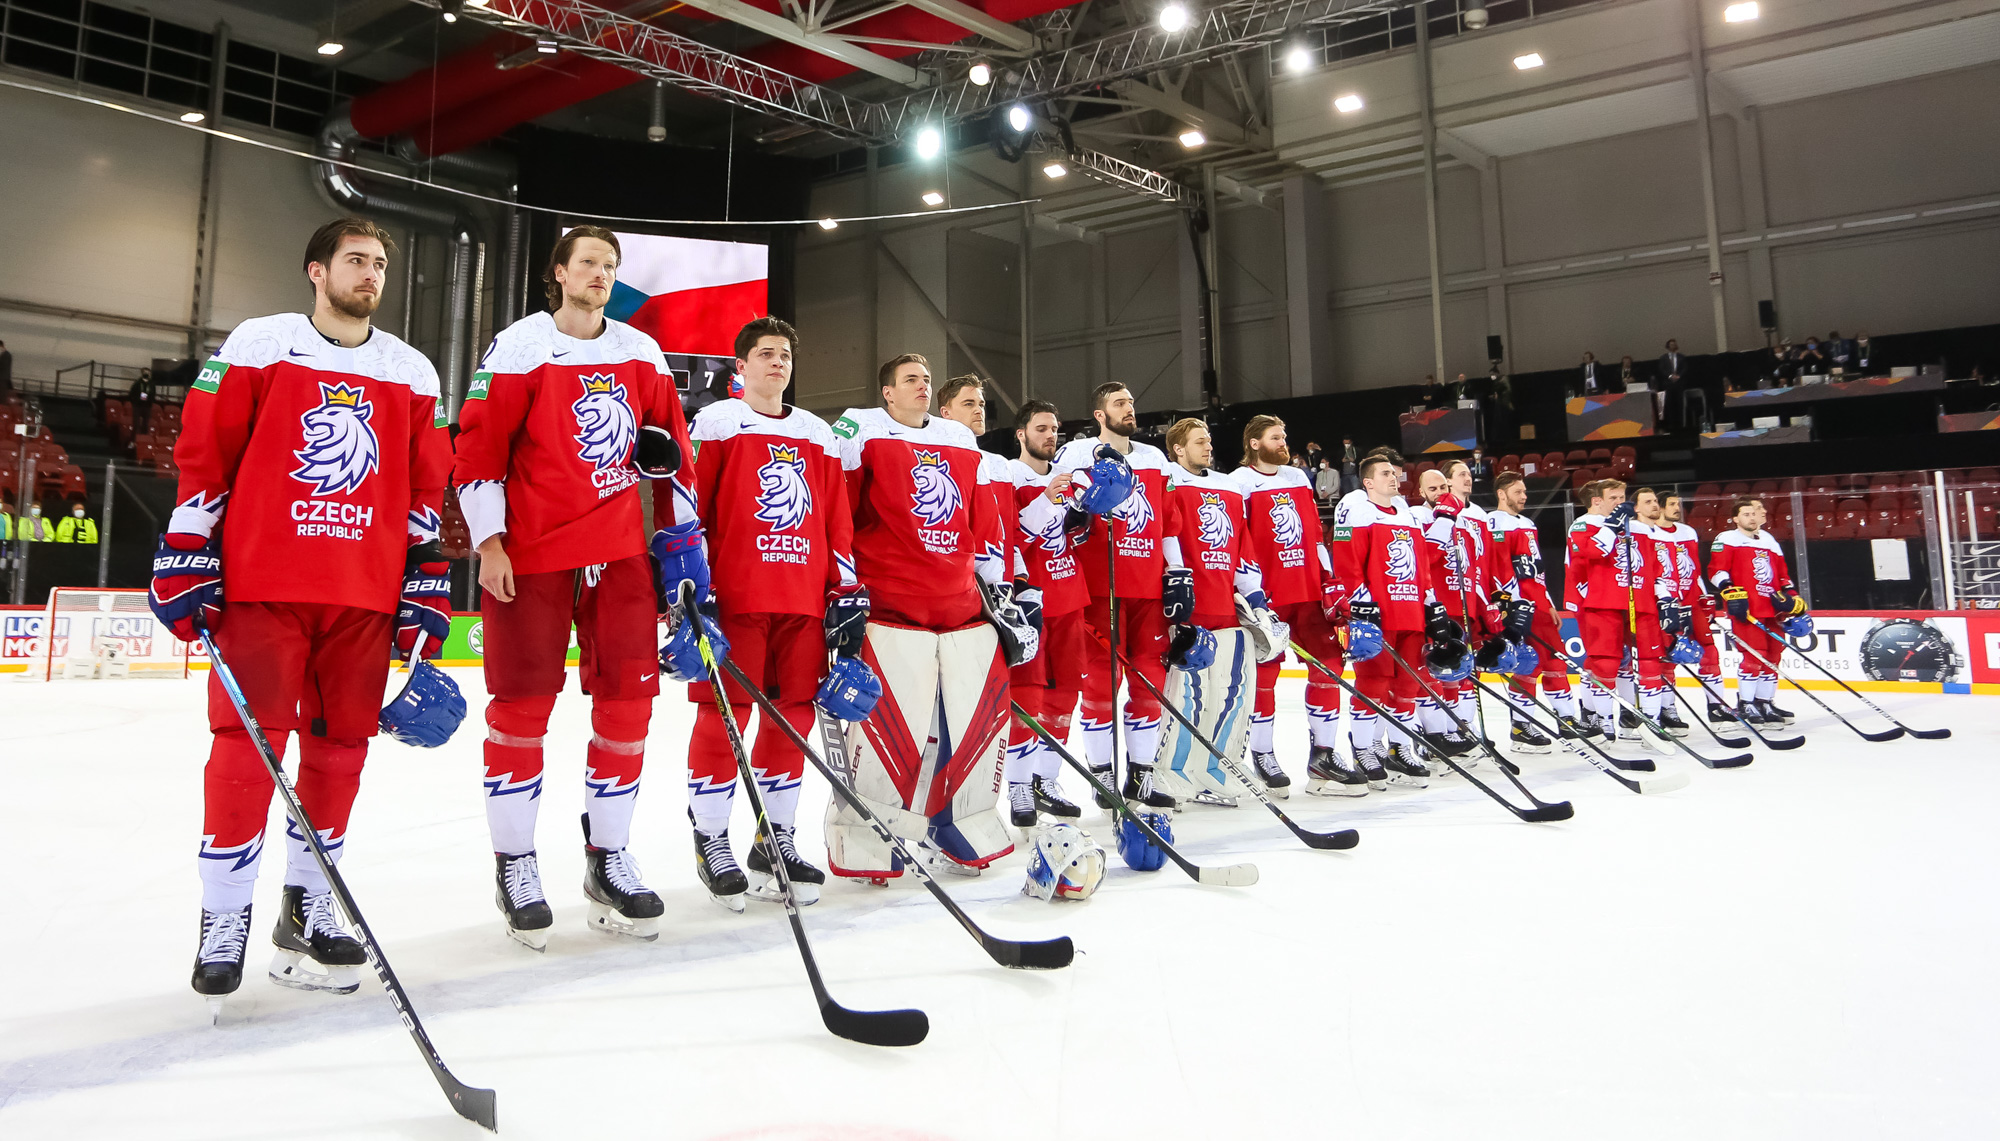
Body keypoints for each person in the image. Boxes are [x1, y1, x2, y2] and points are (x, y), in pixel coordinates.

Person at [151, 216, 453, 1003]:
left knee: (340, 755)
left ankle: (308, 905)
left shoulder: (413, 371)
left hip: (362, 596)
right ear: (315, 270)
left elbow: (427, 487)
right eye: (355, 259)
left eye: (380, 264)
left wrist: (423, 575)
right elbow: (206, 447)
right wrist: (189, 543)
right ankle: (224, 917)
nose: (370, 274)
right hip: (264, 586)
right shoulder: (261, 342)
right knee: (245, 751)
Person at [453, 224, 702, 947]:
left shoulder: (641, 351)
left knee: (628, 706)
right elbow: (478, 447)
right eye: (589, 262)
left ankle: (609, 855)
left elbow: (674, 455)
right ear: (557, 273)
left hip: (620, 552)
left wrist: (680, 548)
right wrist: (491, 540)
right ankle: (516, 863)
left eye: (611, 265)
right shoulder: (520, 347)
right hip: (532, 551)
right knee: (522, 707)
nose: (601, 273)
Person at [679, 316, 867, 910]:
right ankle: (712, 836)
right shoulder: (716, 421)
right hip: (737, 597)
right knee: (723, 716)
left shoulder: (817, 432)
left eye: (785, 353)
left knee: (792, 720)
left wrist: (846, 588)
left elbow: (836, 515)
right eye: (765, 353)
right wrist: (689, 584)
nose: (777, 362)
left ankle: (774, 836)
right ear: (741, 367)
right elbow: (692, 502)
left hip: (803, 600)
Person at [826, 353, 1020, 880]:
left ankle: (959, 822)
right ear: (887, 391)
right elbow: (838, 509)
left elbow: (983, 520)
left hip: (960, 607)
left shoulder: (959, 440)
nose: (921, 385)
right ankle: (871, 837)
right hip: (891, 607)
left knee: (967, 727)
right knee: (890, 733)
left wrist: (1003, 593)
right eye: (909, 379)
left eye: (926, 379)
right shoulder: (859, 428)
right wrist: (841, 587)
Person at [1052, 382, 1180, 810]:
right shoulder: (1076, 452)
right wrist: (1079, 510)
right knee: (1101, 686)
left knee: (1150, 682)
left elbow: (1168, 520)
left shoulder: (1154, 458)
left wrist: (1178, 572)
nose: (1130, 409)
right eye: (1119, 404)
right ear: (1100, 415)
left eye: (1131, 403)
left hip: (1147, 585)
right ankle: (1102, 774)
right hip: (1098, 585)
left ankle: (1141, 776)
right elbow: (1062, 511)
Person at [1155, 417, 1276, 805]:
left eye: (1208, 440)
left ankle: (1215, 769)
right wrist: (1174, 580)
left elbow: (1241, 545)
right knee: (1188, 698)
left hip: (1227, 607)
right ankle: (1172, 774)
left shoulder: (1228, 486)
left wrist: (1253, 595)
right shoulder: (1168, 480)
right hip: (1189, 609)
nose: (1208, 447)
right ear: (1178, 448)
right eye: (1199, 441)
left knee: (1233, 696)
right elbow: (1165, 534)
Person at [1234, 415, 1345, 797]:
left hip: (1309, 591)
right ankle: (1263, 755)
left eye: (1284, 435)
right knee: (1265, 677)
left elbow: (1314, 535)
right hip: (1270, 596)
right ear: (1254, 443)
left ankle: (1324, 755)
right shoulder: (1239, 483)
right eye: (1276, 437)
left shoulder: (1298, 478)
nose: (1284, 442)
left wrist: (1329, 579)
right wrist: (1249, 595)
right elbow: (1238, 543)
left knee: (1330, 665)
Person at [1330, 452, 1445, 788]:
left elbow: (1421, 563)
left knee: (1408, 683)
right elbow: (1348, 562)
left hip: (1411, 611)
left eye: (1395, 473)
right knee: (1374, 682)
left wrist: (1431, 601)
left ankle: (1398, 747)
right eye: (1385, 474)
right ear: (1368, 482)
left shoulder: (1407, 515)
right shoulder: (1360, 512)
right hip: (1379, 613)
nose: (1394, 478)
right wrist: (1361, 605)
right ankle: (1364, 748)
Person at [1003, 399, 1087, 826]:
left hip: (1071, 594)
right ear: (1021, 434)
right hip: (1030, 598)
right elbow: (1012, 536)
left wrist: (1083, 517)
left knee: (1065, 693)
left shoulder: (1066, 478)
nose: (1050, 435)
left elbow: (1068, 534)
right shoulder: (1008, 473)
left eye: (1054, 428)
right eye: (1040, 428)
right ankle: (1018, 784)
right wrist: (1048, 500)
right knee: (1029, 695)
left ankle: (1045, 778)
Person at [1564, 479, 1673, 743]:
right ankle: (1603, 722)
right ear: (1597, 501)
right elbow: (1592, 553)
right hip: (1602, 601)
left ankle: (1647, 721)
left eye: (1623, 497)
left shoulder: (1638, 527)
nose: (1621, 503)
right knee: (1605, 664)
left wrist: (1665, 599)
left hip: (1639, 600)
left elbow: (1654, 567)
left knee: (1648, 662)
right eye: (1613, 498)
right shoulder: (1583, 524)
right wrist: (1612, 525)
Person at [1488, 471, 1569, 752]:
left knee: (1556, 664)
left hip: (1540, 604)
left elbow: (1536, 571)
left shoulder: (1527, 523)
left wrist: (1548, 601)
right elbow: (1498, 570)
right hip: (1520, 606)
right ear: (1502, 494)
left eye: (1524, 492)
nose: (1524, 497)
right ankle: (1521, 729)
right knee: (1528, 664)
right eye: (1518, 492)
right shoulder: (1494, 523)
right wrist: (1509, 605)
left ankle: (1568, 721)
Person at [1707, 497, 1803, 727]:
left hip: (1773, 608)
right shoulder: (1727, 538)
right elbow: (1715, 571)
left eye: (1754, 513)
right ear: (1735, 518)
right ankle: (1746, 703)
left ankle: (1764, 702)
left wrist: (1792, 597)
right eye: (1746, 514)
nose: (1752, 517)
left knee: (1773, 656)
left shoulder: (1768, 540)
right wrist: (1729, 591)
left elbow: (1782, 574)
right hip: (1747, 609)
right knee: (1754, 656)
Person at [1647, 491, 1716, 728]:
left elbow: (1695, 569)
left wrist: (1705, 595)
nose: (1678, 508)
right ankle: (1667, 709)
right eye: (1672, 504)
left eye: (1679, 503)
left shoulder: (1688, 532)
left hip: (1691, 600)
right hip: (1663, 603)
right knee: (1666, 658)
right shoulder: (1647, 531)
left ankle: (1717, 707)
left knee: (1710, 653)